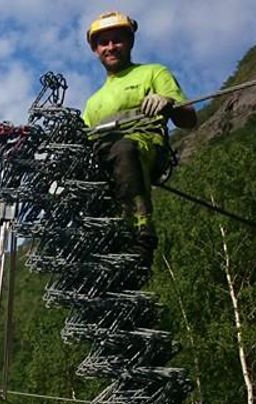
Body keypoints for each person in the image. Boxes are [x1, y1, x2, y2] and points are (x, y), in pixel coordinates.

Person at [82, 11, 198, 256]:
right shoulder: (93, 103)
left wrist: (167, 100)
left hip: (144, 147)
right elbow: (82, 140)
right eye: (103, 42)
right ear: (95, 50)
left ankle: (140, 230)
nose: (111, 47)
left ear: (130, 42)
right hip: (108, 161)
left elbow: (189, 119)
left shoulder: (153, 72)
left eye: (117, 40)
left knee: (122, 147)